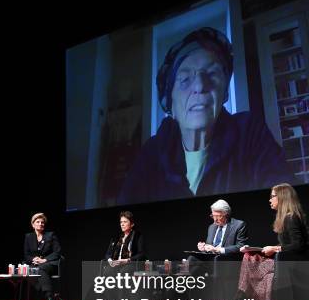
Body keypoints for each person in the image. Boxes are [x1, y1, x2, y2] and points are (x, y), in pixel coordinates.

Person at [119, 27, 293, 205]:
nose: (200, 86)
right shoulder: (152, 153)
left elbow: (284, 204)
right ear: (170, 100)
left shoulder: (249, 133)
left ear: (224, 90)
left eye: (212, 73)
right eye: (185, 79)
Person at [236, 183, 309, 300]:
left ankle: (246, 297)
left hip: (296, 266)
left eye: (273, 196)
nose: (270, 200)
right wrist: (270, 249)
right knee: (250, 256)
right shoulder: (285, 218)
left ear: (283, 197)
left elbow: (298, 245)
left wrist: (275, 249)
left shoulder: (291, 217)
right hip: (286, 262)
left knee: (261, 273)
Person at [184, 199, 248, 300]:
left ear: (225, 214)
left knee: (193, 269)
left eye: (218, 216)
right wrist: (203, 247)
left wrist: (219, 249)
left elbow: (241, 247)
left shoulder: (239, 225)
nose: (214, 219)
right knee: (192, 262)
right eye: (213, 216)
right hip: (210, 262)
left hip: (226, 263)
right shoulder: (212, 227)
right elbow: (210, 247)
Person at [24, 213, 63, 300]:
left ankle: (49, 298)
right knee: (28, 271)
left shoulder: (50, 235)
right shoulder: (28, 237)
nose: (40, 224)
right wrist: (33, 259)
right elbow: (26, 254)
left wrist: (45, 260)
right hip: (36, 264)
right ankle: (51, 296)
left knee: (40, 268)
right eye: (38, 222)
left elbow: (57, 252)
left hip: (50, 264)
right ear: (33, 224)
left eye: (42, 222)